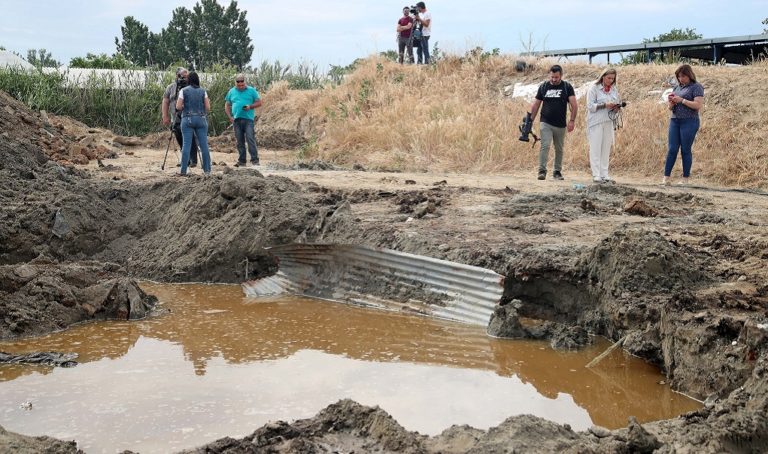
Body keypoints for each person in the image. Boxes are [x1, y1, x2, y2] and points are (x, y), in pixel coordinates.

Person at [529, 64, 578, 180]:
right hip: (545, 122)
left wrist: (572, 121)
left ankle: (557, 172)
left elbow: (574, 105)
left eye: (556, 77)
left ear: (561, 75)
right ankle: (542, 171)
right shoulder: (544, 86)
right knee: (545, 145)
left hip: (561, 124)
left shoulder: (567, 87)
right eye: (552, 77)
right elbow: (536, 105)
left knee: (559, 148)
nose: (554, 79)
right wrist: (530, 121)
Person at [663, 64, 704, 185]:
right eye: (679, 76)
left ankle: (685, 179)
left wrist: (682, 100)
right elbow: (670, 108)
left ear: (689, 75)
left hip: (689, 121)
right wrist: (671, 103)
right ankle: (666, 178)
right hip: (675, 120)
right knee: (672, 149)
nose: (681, 79)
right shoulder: (677, 88)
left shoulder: (696, 87)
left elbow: (697, 105)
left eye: (683, 76)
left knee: (685, 149)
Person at [586, 67, 622, 183]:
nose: (610, 80)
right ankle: (596, 174)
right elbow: (590, 106)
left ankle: (604, 174)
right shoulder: (594, 88)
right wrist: (605, 105)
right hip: (596, 121)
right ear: (603, 76)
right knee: (595, 148)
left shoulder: (614, 89)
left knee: (606, 148)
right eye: (608, 78)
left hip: (609, 121)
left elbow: (616, 103)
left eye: (613, 78)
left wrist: (616, 107)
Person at [175, 72, 211, 176]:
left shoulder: (183, 90)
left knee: (186, 145)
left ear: (189, 80)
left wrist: (184, 107)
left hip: (188, 119)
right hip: (201, 119)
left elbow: (178, 106)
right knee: (204, 145)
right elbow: (208, 107)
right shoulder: (203, 91)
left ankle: (183, 170)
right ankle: (207, 170)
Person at [162, 67, 199, 168]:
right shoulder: (170, 87)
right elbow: (165, 102)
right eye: (182, 77)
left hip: (188, 117)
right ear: (177, 76)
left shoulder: (191, 87)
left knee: (190, 138)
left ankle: (193, 160)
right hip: (175, 117)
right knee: (179, 138)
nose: (185, 79)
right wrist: (165, 116)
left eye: (186, 77)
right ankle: (185, 160)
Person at [225, 74, 262, 167]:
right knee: (239, 141)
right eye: (239, 84)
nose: (241, 86)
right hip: (236, 120)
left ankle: (255, 160)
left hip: (248, 119)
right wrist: (230, 117)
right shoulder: (231, 91)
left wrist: (250, 106)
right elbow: (227, 105)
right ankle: (242, 161)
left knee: (250, 139)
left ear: (245, 82)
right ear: (236, 83)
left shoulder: (251, 90)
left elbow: (259, 102)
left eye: (242, 84)